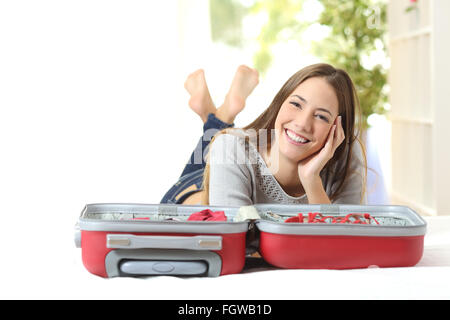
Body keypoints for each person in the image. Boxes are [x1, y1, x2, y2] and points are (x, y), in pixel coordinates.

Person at [160, 63, 367, 206]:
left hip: (234, 163)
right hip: (189, 199)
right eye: (296, 104)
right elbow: (236, 240)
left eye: (321, 116)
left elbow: (340, 243)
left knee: (221, 142)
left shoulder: (347, 157)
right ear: (279, 103)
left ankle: (217, 114)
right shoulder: (232, 146)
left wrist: (311, 179)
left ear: (337, 128)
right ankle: (217, 117)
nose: (303, 123)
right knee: (222, 143)